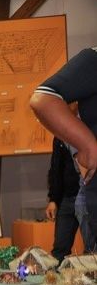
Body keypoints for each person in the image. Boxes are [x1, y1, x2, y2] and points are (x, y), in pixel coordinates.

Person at [30, 47, 97, 245]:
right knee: (62, 247)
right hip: (74, 193)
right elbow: (43, 98)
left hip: (78, 192)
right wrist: (89, 147)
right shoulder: (93, 59)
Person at [46, 137, 81, 263]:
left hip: (89, 196)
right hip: (67, 198)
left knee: (92, 246)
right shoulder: (59, 136)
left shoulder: (91, 129)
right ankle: (57, 274)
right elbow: (56, 167)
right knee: (60, 249)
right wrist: (53, 199)